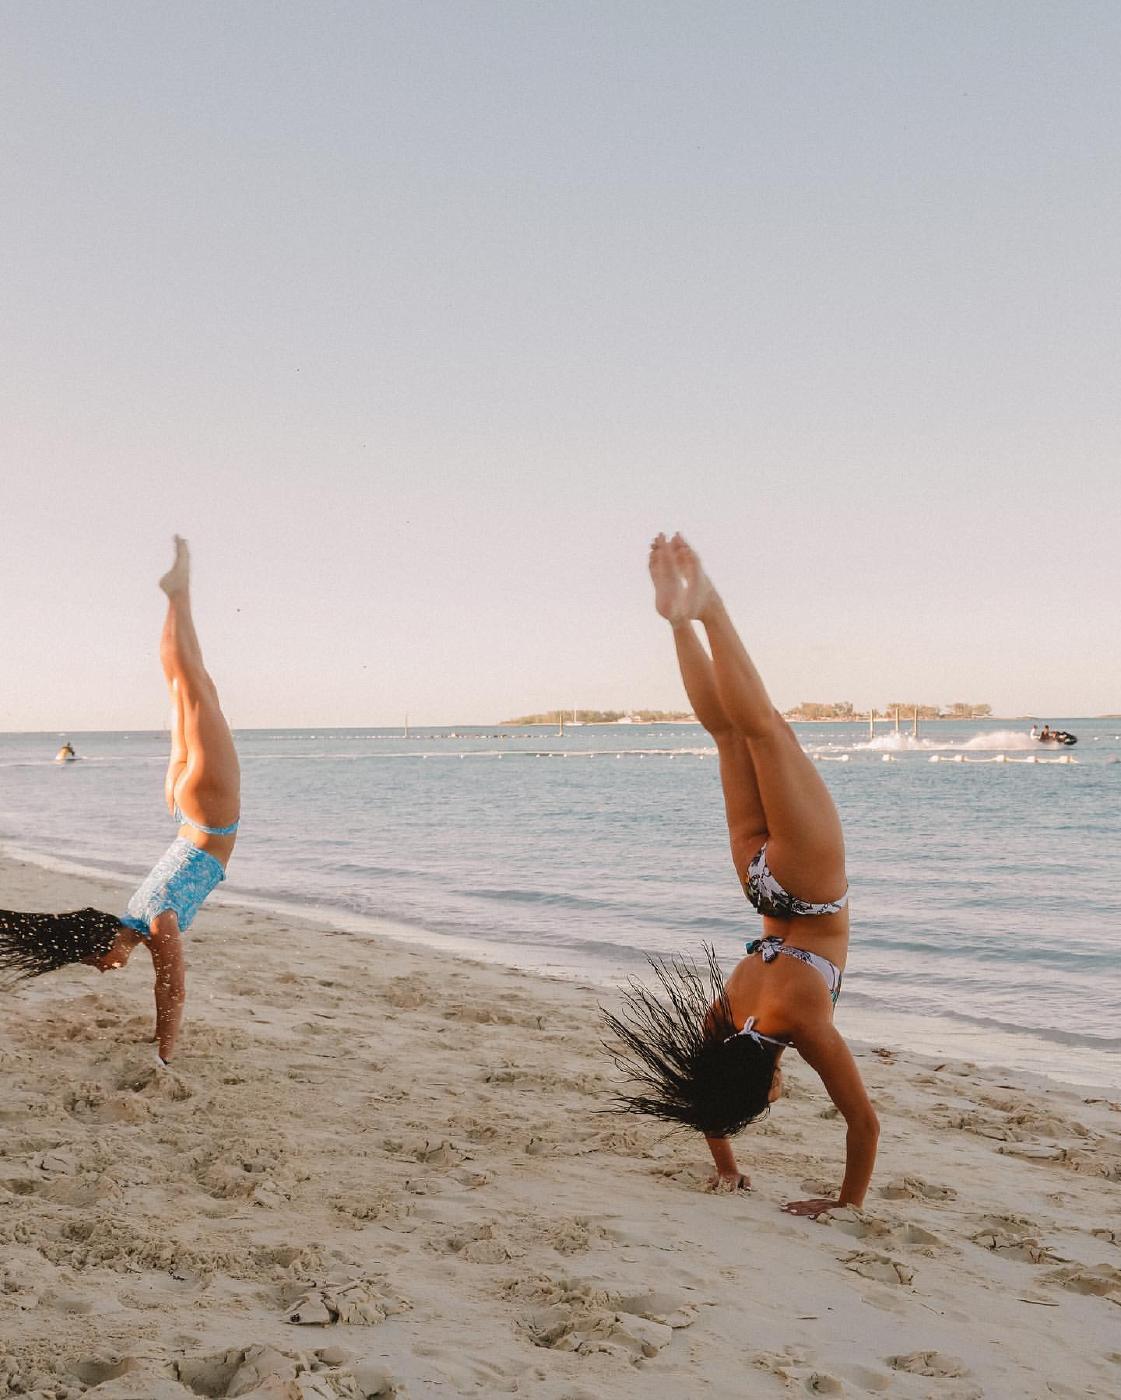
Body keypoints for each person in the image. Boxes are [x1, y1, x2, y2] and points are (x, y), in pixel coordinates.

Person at [604, 533, 878, 1218]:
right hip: (756, 883)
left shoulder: (800, 1023)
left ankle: (711, 610)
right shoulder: (722, 1015)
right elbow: (706, 1097)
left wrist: (844, 1203)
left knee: (766, 733)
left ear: (766, 1085)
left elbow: (863, 1125)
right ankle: (678, 625)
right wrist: (721, 1163)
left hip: (810, 891)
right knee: (729, 737)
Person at [0, 537, 240, 1064]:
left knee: (194, 686)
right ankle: (179, 596)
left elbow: (172, 989)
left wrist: (164, 1051)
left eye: (95, 960)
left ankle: (177, 594)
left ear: (103, 941)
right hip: (183, 810)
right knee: (190, 688)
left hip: (207, 816)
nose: (104, 968)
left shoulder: (154, 922)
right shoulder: (137, 917)